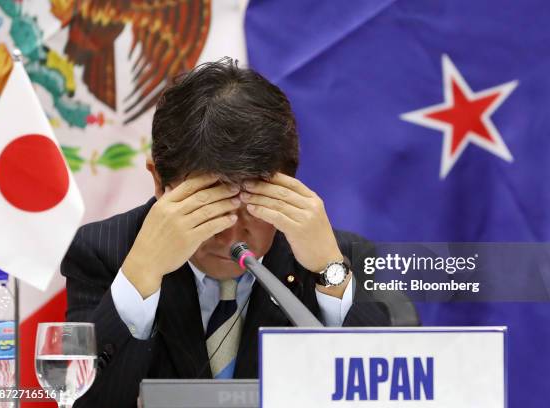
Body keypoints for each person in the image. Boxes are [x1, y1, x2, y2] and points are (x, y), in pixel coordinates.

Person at [61, 58, 393, 407]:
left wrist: (330, 273)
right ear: (160, 182)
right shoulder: (103, 251)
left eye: (252, 204)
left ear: (288, 187)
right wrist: (141, 275)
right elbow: (82, 400)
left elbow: (389, 397)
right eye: (209, 206)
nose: (232, 234)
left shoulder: (341, 257)